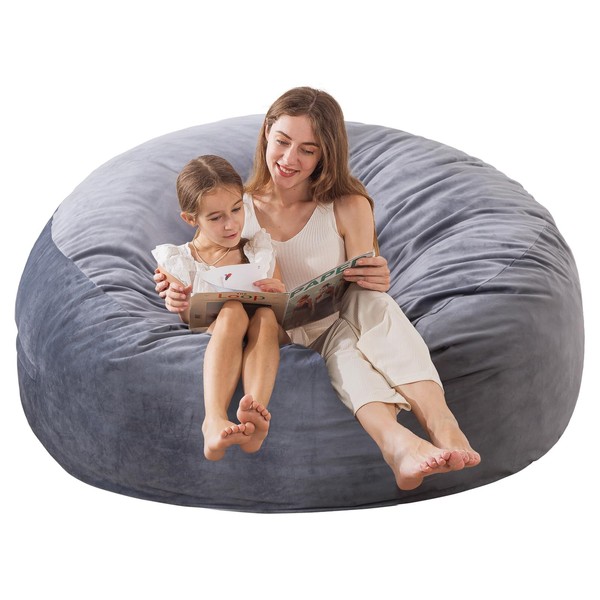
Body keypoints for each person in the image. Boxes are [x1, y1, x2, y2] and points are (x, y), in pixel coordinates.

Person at [156, 88, 481, 490]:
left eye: (307, 150)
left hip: (332, 324)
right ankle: (413, 439)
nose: (289, 159)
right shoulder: (237, 208)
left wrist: (379, 277)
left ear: (326, 153)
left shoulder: (347, 205)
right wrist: (176, 290)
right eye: (282, 141)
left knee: (362, 316)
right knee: (343, 327)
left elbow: (365, 285)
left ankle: (417, 437)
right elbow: (201, 262)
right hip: (272, 330)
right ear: (266, 133)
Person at [152, 155, 289, 461]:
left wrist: (278, 291)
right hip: (222, 328)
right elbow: (187, 314)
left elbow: (282, 305)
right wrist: (177, 301)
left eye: (237, 209)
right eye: (215, 218)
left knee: (266, 315)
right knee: (232, 311)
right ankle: (213, 420)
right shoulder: (178, 260)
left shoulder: (258, 249)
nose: (231, 224)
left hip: (266, 331)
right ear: (191, 219)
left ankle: (254, 417)